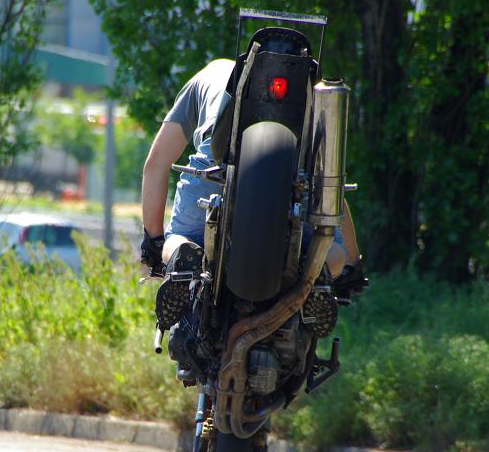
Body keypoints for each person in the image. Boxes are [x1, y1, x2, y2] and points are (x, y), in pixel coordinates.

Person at [140, 59, 366, 330]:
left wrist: (154, 241)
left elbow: (156, 163)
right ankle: (318, 272)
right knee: (330, 252)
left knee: (182, 238)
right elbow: (331, 188)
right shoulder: (305, 90)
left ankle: (183, 259)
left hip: (217, 162)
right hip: (293, 170)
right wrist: (352, 262)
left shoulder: (207, 76)